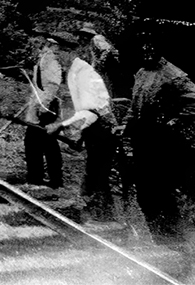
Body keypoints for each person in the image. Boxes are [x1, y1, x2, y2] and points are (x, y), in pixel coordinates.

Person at [124, 29, 195, 248]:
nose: (147, 52)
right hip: (141, 139)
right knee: (145, 193)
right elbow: (134, 107)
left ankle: (175, 243)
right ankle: (159, 241)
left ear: (159, 50)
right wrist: (125, 126)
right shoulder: (142, 72)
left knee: (161, 191)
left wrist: (174, 119)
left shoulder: (173, 74)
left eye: (151, 48)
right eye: (143, 48)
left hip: (161, 141)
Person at [46, 31, 118, 221]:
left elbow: (90, 112)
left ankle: (104, 219)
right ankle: (97, 214)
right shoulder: (73, 71)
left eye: (58, 54)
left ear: (69, 52)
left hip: (103, 129)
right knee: (93, 174)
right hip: (93, 129)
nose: (57, 60)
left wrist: (60, 125)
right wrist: (76, 133)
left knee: (98, 176)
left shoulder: (84, 72)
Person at [24, 35, 64, 189]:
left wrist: (44, 106)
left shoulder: (51, 61)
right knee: (46, 143)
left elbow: (52, 85)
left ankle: (39, 179)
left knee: (35, 142)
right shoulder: (46, 58)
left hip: (45, 106)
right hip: (41, 104)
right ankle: (49, 179)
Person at [76, 22, 123, 99]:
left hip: (107, 69)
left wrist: (101, 63)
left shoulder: (97, 38)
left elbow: (107, 50)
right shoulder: (90, 43)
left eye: (84, 34)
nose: (82, 37)